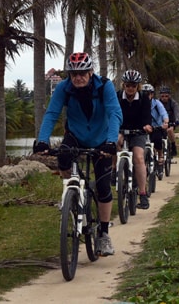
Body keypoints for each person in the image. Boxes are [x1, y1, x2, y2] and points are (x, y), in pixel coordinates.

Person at [33, 52, 122, 257]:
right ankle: (71, 195)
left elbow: (114, 113)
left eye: (82, 73)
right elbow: (52, 113)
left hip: (102, 138)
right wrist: (43, 140)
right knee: (63, 158)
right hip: (75, 135)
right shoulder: (64, 87)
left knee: (102, 185)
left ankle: (104, 234)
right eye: (74, 74)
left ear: (91, 72)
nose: (78, 77)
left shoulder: (105, 86)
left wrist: (110, 141)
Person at [116, 70, 153, 209]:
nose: (130, 88)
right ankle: (116, 169)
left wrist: (147, 125)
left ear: (138, 86)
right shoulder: (118, 97)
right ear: (123, 85)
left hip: (138, 131)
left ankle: (143, 194)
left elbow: (147, 116)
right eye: (128, 85)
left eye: (133, 85)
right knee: (113, 142)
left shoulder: (143, 98)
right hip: (121, 130)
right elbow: (113, 114)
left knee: (138, 157)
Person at [144, 84, 169, 174]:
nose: (146, 95)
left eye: (148, 94)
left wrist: (165, 122)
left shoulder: (157, 103)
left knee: (157, 139)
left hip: (156, 126)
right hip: (144, 127)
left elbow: (163, 113)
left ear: (152, 94)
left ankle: (160, 154)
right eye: (144, 93)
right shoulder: (140, 103)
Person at [159, 86, 179, 157]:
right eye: (162, 96)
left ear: (169, 96)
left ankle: (173, 146)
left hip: (171, 122)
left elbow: (177, 112)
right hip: (160, 122)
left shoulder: (173, 103)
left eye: (166, 96)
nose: (164, 98)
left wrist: (177, 120)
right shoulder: (157, 103)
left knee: (170, 130)